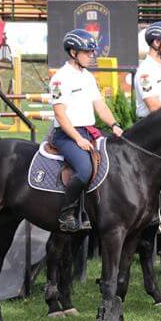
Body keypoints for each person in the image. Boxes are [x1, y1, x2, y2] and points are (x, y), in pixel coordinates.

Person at [50, 29, 124, 232]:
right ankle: (67, 214)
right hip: (66, 134)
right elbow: (60, 115)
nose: (92, 56)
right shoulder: (60, 78)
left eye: (92, 52)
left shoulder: (88, 77)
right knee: (84, 169)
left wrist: (114, 125)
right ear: (73, 52)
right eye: (87, 52)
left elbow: (100, 106)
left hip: (89, 131)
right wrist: (77, 138)